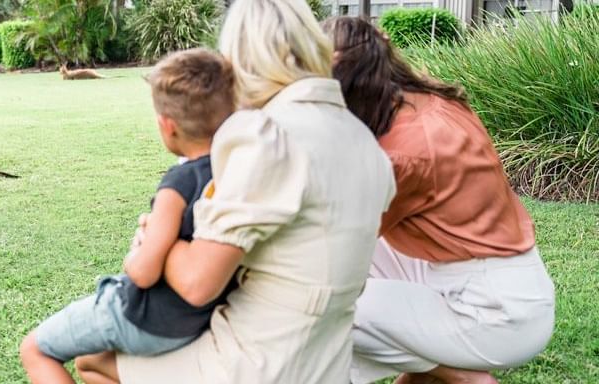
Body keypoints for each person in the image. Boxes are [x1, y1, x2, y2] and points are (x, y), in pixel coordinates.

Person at [72, 0, 396, 382]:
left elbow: (196, 284)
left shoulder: (265, 134)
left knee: (93, 359)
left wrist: (156, 236)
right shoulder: (364, 141)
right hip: (326, 359)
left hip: (259, 362)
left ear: (243, 57)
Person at [322, 17, 556, 384]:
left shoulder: (401, 156)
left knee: (319, 308)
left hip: (494, 313)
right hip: (500, 282)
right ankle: (436, 370)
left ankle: (460, 376)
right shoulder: (429, 101)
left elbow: (335, 238)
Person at [18, 48, 238, 384]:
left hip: (144, 317)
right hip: (192, 323)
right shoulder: (234, 174)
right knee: (95, 361)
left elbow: (143, 273)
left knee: (35, 349)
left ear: (168, 126)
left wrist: (134, 255)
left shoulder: (178, 182)